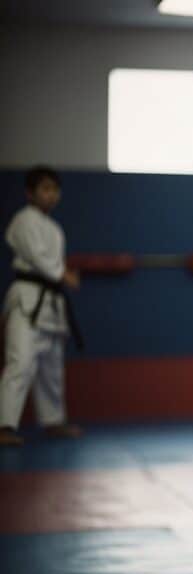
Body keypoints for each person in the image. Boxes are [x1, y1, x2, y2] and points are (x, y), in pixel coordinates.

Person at [0, 165, 84, 446]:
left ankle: (53, 421)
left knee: (51, 366)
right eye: (45, 189)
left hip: (51, 302)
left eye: (54, 189)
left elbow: (53, 264)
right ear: (30, 193)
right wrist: (63, 274)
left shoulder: (55, 228)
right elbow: (37, 258)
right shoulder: (23, 220)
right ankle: (4, 425)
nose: (51, 195)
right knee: (20, 361)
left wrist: (61, 276)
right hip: (26, 298)